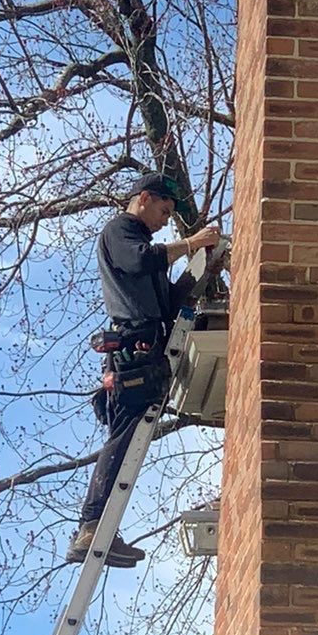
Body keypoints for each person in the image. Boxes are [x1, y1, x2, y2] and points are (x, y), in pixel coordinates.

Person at [67, 171, 224, 568]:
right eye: (163, 210)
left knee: (128, 435)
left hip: (148, 344)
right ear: (143, 199)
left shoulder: (147, 247)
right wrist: (192, 243)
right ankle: (91, 527)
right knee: (122, 437)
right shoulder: (120, 231)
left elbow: (168, 302)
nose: (164, 220)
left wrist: (202, 266)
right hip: (132, 348)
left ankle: (99, 528)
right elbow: (140, 261)